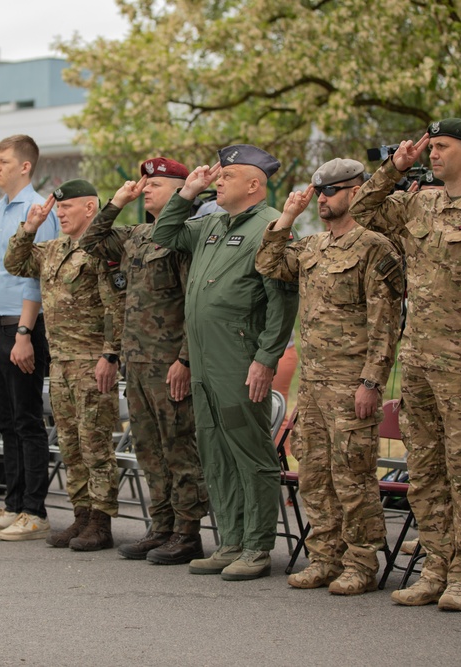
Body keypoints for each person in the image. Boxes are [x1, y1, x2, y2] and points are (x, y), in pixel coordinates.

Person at [349, 118, 461, 610]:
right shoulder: (418, 201)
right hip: (419, 362)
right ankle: (434, 567)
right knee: (424, 471)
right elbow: (361, 209)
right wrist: (394, 167)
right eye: (431, 149)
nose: (433, 155)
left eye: (442, 147)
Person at [152, 145, 300, 581]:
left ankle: (257, 547)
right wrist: (187, 193)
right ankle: (230, 541)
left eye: (228, 175)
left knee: (250, 452)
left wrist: (266, 359)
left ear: (254, 184)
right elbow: (163, 236)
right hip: (204, 358)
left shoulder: (271, 226)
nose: (218, 179)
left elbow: (282, 301)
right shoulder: (212, 222)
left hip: (239, 359)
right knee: (215, 450)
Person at [255, 158, 403, 594]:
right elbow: (268, 261)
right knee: (316, 477)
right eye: (319, 191)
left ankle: (361, 563)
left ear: (355, 192)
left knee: (353, 477)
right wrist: (287, 216)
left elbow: (385, 323)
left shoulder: (376, 247)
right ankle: (324, 557)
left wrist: (372, 382)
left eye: (332, 191)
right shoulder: (312, 246)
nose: (323, 198)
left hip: (351, 384)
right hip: (315, 386)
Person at [79, 156, 210, 564]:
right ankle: (162, 527)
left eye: (157, 183)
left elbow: (193, 303)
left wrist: (186, 360)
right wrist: (117, 200)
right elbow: (91, 242)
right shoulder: (136, 235)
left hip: (169, 361)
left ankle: (188, 533)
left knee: (178, 448)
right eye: (144, 183)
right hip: (136, 361)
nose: (146, 188)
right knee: (149, 448)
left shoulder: (185, 237)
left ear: (180, 189)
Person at [4, 179, 125, 550]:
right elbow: (14, 263)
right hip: (60, 364)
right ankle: (81, 516)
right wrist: (30, 227)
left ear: (90, 208)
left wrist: (110, 354)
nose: (60, 212)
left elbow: (115, 306)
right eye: (58, 207)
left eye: (67, 207)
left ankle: (101, 523)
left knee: (95, 445)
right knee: (71, 445)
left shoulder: (102, 248)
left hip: (91, 362)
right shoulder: (54, 249)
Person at [0, 135, 60, 540]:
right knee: (4, 421)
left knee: (26, 420)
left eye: (3, 161)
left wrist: (25, 332)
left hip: (19, 327)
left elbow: (37, 276)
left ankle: (35, 510)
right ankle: (15, 503)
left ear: (25, 166)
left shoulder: (38, 211)